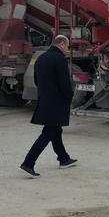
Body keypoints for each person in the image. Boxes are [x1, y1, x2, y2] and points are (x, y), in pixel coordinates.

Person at [20, 35, 77, 177]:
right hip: (56, 101)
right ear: (62, 44)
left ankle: (64, 158)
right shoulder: (59, 59)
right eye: (67, 46)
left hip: (45, 99)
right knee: (48, 133)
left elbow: (36, 80)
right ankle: (28, 163)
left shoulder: (41, 58)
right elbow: (64, 83)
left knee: (55, 130)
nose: (67, 49)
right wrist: (69, 96)